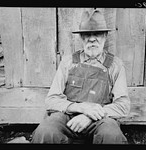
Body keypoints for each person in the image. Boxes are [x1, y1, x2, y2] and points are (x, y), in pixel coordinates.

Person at [32, 9, 130, 144]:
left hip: (100, 120)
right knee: (45, 131)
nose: (92, 39)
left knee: (111, 135)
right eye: (87, 34)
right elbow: (51, 100)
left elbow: (123, 106)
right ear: (81, 37)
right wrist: (80, 107)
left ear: (105, 36)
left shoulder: (115, 65)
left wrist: (89, 116)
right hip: (67, 117)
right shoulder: (68, 62)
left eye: (98, 34)